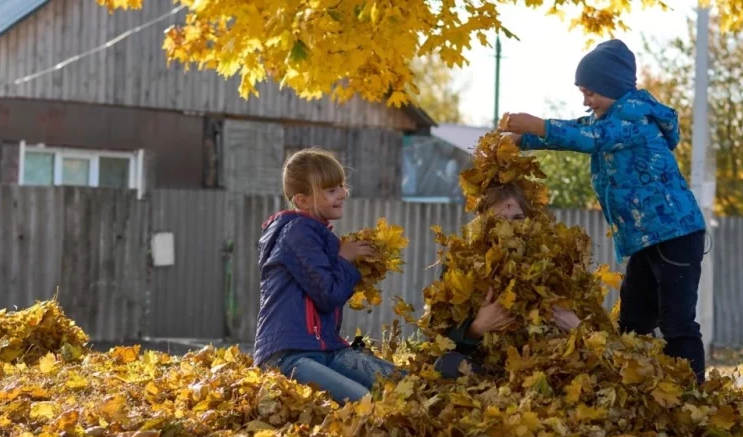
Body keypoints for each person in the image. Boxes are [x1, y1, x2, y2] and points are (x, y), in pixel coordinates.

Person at [498, 39, 707, 383]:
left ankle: (695, 397)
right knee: (634, 322)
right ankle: (641, 388)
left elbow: (592, 139)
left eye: (591, 93)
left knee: (677, 322)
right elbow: (582, 130)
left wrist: (538, 125)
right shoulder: (610, 120)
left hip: (677, 235)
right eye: (582, 92)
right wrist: (526, 141)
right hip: (645, 239)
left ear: (613, 87)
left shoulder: (633, 119)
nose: (586, 100)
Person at [253, 148, 401, 402]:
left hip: (326, 348)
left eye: (341, 186)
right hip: (288, 356)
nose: (343, 194)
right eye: (332, 190)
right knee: (362, 400)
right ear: (302, 200)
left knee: (403, 384)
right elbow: (327, 293)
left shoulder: (320, 236)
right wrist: (344, 258)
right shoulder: (296, 233)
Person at [434, 183, 582, 379]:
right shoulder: (460, 263)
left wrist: (577, 328)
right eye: (499, 220)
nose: (509, 228)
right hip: (485, 374)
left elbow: (599, 337)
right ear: (483, 223)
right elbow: (438, 341)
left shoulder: (558, 262)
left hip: (546, 372)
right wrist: (476, 328)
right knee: (446, 364)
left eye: (518, 219)